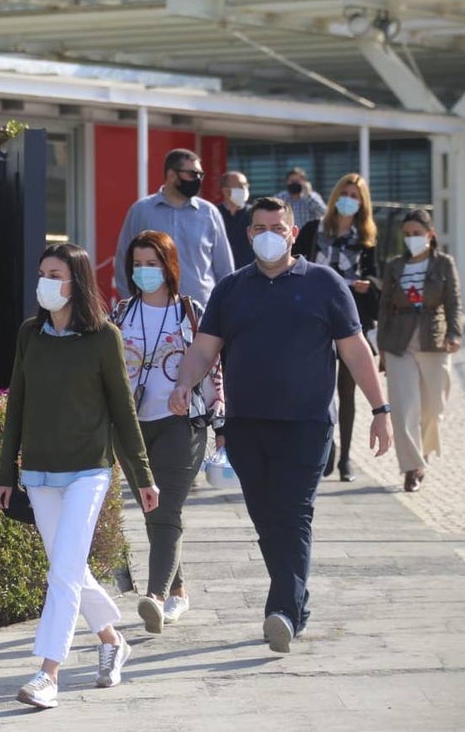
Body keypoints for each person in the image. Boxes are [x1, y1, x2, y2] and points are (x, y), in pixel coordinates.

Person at [168, 196, 392, 655]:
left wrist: (380, 410)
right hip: (246, 425)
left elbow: (354, 351)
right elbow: (205, 347)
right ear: (249, 234)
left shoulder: (325, 284)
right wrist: (184, 384)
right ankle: (296, 604)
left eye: (277, 227)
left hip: (307, 425)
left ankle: (283, 611)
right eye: (260, 228)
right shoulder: (231, 289)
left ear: (292, 233)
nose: (269, 235)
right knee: (266, 519)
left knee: (292, 513)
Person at [0, 243, 158, 709]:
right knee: (70, 569)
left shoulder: (103, 337)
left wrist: (143, 476)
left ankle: (48, 674)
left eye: (55, 274)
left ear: (76, 282)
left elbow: (123, 411)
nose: (45, 282)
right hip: (39, 472)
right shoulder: (30, 334)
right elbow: (16, 404)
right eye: (42, 273)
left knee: (62, 571)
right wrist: (5, 473)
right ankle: (112, 641)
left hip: (88, 470)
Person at [110, 231, 224, 634]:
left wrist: (220, 421)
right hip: (131, 427)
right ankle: (178, 591)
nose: (144, 271)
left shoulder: (190, 312)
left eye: (152, 263)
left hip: (182, 424)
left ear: (170, 266)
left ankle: (155, 597)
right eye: (138, 264)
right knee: (153, 509)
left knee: (165, 508)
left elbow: (214, 365)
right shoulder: (121, 313)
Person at [295, 173, 380, 482]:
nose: (348, 200)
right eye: (345, 193)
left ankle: (345, 460)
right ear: (334, 197)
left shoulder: (366, 237)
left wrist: (368, 285)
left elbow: (375, 277)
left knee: (347, 391)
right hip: (313, 318)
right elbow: (295, 264)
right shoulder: (313, 230)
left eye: (355, 196)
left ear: (362, 203)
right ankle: (326, 446)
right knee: (318, 388)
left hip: (349, 318)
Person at [377, 208, 462, 492]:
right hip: (399, 343)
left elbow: (454, 302)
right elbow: (385, 308)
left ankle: (423, 453)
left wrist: (454, 333)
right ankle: (412, 467)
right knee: (404, 410)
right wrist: (382, 348)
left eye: (417, 233)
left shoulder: (444, 264)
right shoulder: (395, 265)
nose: (412, 238)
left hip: (434, 340)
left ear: (430, 234)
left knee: (433, 410)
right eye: (407, 234)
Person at [114, 148, 234, 305]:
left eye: (201, 175)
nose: (198, 179)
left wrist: (224, 307)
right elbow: (124, 261)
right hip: (152, 308)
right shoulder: (141, 210)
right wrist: (132, 305)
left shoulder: (209, 212)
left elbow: (224, 267)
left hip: (202, 309)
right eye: (193, 174)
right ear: (171, 175)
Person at [218, 170, 255, 269]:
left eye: (246, 185)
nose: (244, 189)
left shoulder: (254, 213)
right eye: (240, 186)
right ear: (225, 190)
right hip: (222, 272)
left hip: (249, 271)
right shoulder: (214, 213)